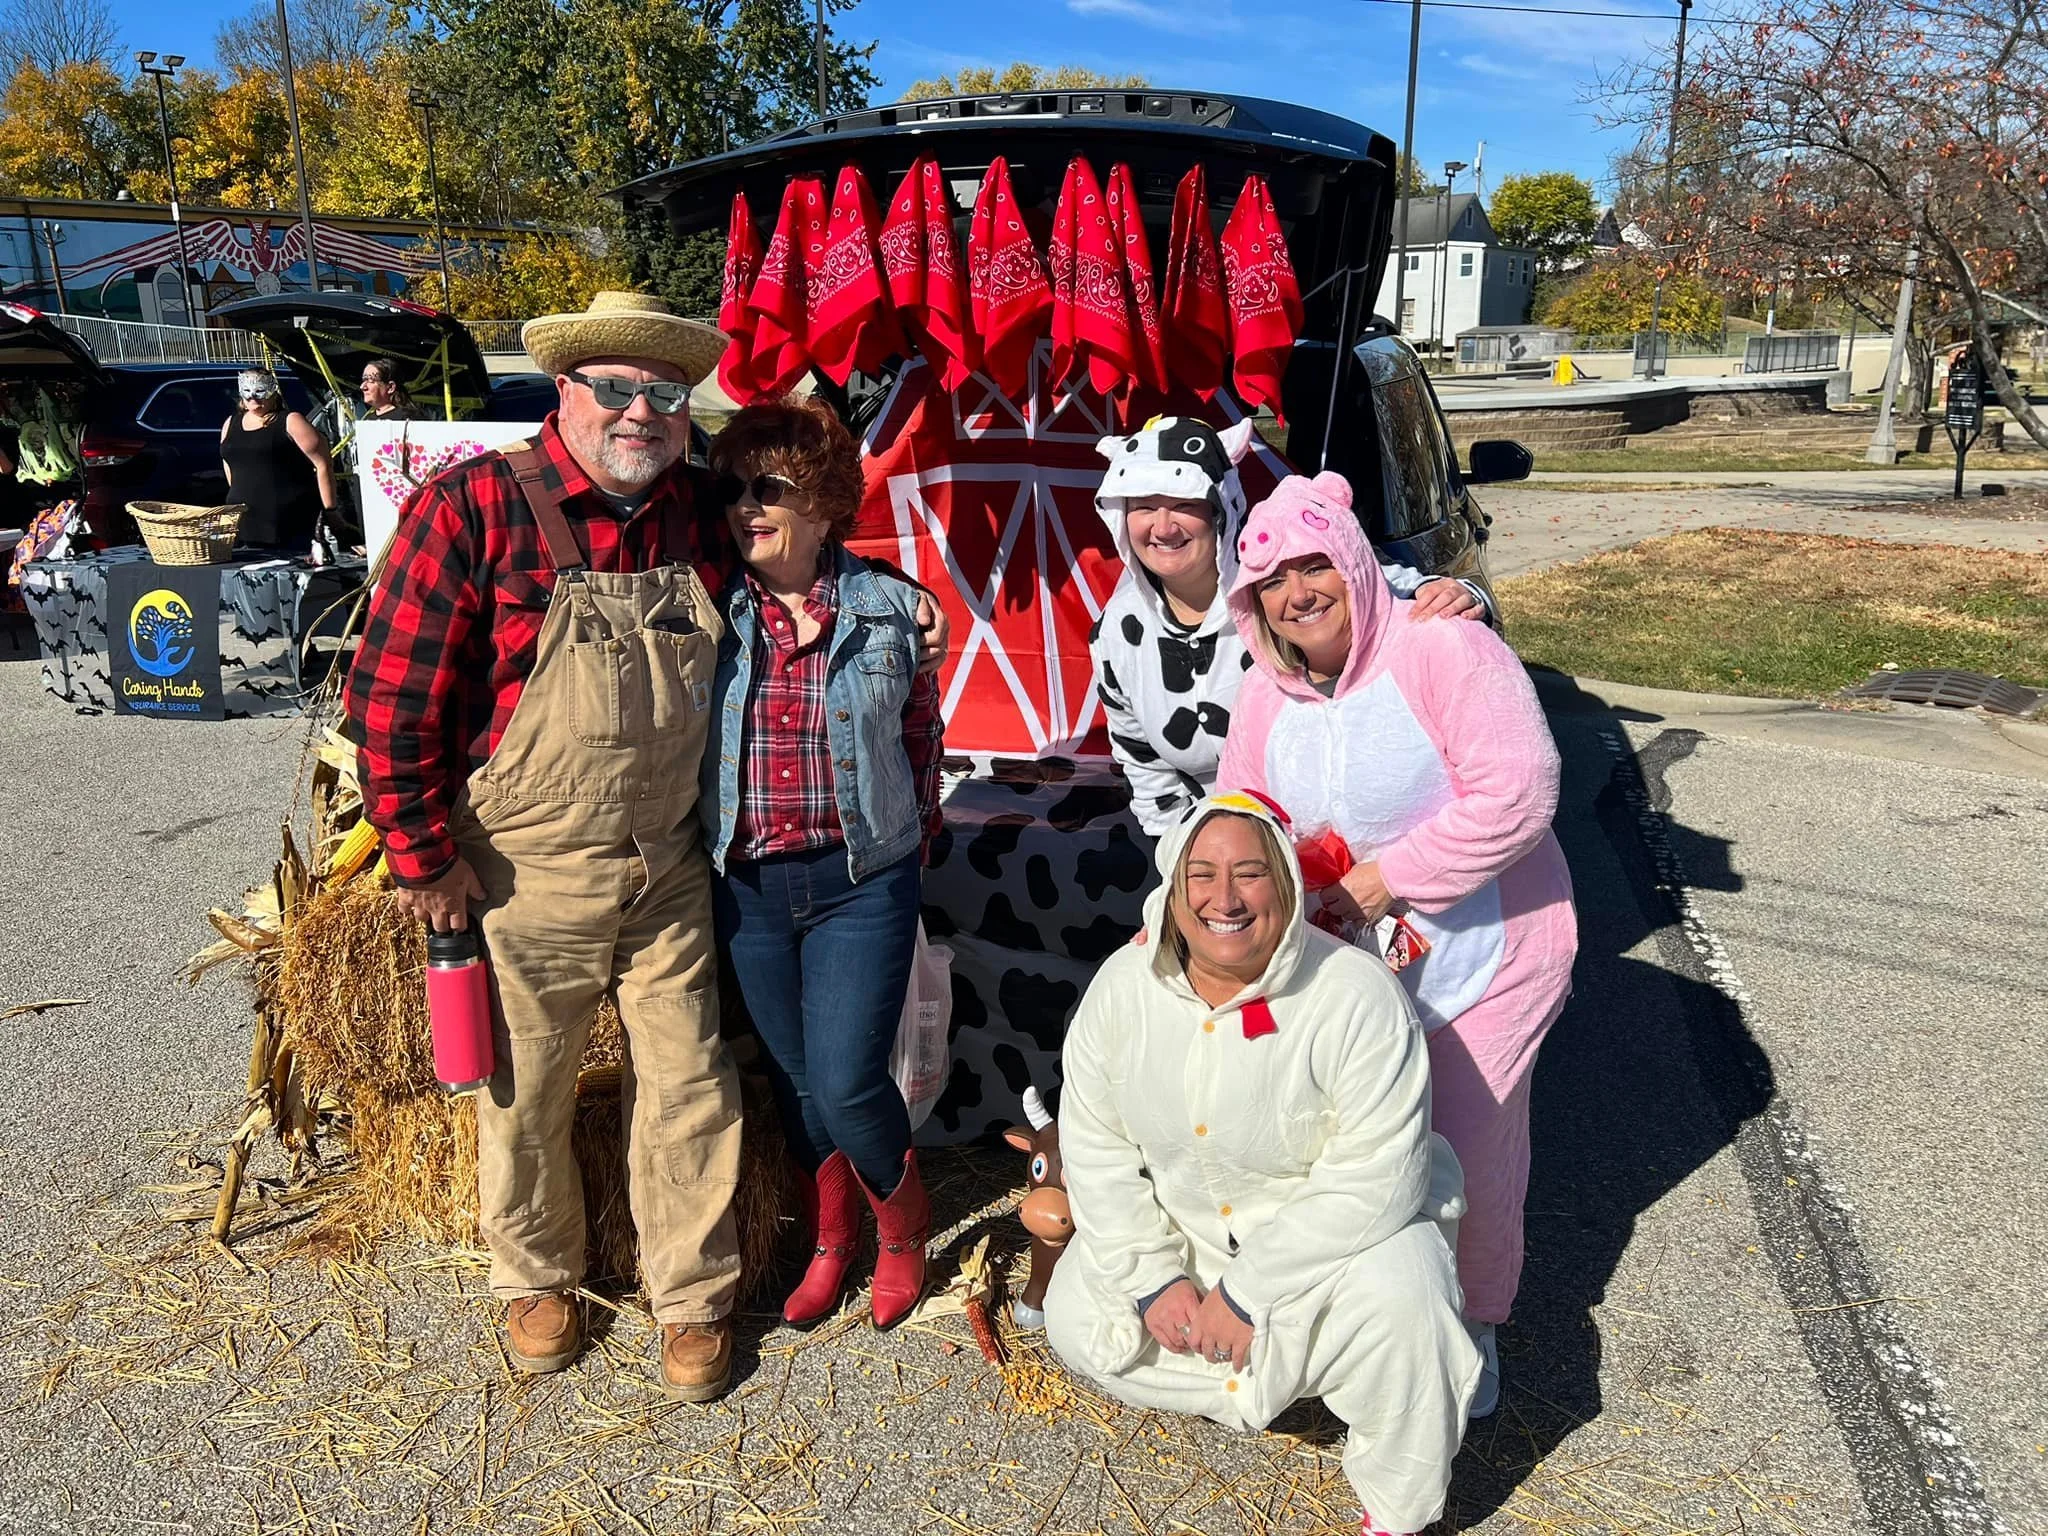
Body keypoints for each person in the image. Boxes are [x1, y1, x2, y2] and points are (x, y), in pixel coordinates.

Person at [343, 292, 749, 1403]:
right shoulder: (471, 507)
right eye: (616, 389)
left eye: (664, 395)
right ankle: (536, 1276)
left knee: (691, 1084)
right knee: (525, 1090)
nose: (641, 414)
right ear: (564, 392)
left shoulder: (703, 513)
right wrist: (425, 858)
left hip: (666, 859)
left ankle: (692, 1297)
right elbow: (387, 702)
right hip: (525, 865)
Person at [1216, 470, 1578, 1420]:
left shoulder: (1440, 646)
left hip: (1483, 953)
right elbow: (1240, 811)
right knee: (1350, 1145)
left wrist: (1378, 882)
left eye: (1314, 565)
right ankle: (1356, 1321)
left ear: (1353, 560)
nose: (1299, 593)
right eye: (1273, 582)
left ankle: (1474, 1326)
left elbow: (1520, 792)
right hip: (1349, 962)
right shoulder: (1263, 694)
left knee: (1463, 1146)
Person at [1045, 792, 1479, 1536]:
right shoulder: (1122, 990)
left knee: (1413, 1306)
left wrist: (1250, 1294)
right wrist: (1154, 1279)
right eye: (1201, 876)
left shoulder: (1355, 994)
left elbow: (1383, 1175)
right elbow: (1095, 1145)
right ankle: (1253, 1378)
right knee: (1074, 1318)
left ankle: (1397, 1511)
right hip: (1190, 1236)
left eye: (1249, 875)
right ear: (1172, 893)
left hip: (1331, 1251)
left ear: (1286, 888)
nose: (1224, 898)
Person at [701, 397, 946, 1332]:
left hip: (860, 879)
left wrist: (916, 835)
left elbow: (921, 730)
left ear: (826, 501)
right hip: (750, 883)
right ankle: (831, 1243)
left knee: (847, 1078)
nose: (746, 507)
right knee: (799, 1082)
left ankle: (900, 1229)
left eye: (771, 489)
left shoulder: (892, 609)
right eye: (735, 490)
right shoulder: (711, 606)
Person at [1089, 416, 1491, 837]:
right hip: (1219, 852)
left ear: (1219, 508)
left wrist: (1460, 595)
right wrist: (1183, 854)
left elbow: (1375, 581)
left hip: (1346, 838)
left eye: (1185, 504)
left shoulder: (1276, 571)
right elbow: (1142, 759)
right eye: (1145, 506)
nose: (1164, 526)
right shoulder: (1117, 634)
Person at [220, 368, 337, 553]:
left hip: (287, 522)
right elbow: (229, 464)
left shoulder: (291, 421)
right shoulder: (231, 423)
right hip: (244, 522)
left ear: (272, 391)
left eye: (260, 391)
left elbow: (323, 463)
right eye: (247, 392)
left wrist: (330, 510)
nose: (253, 398)